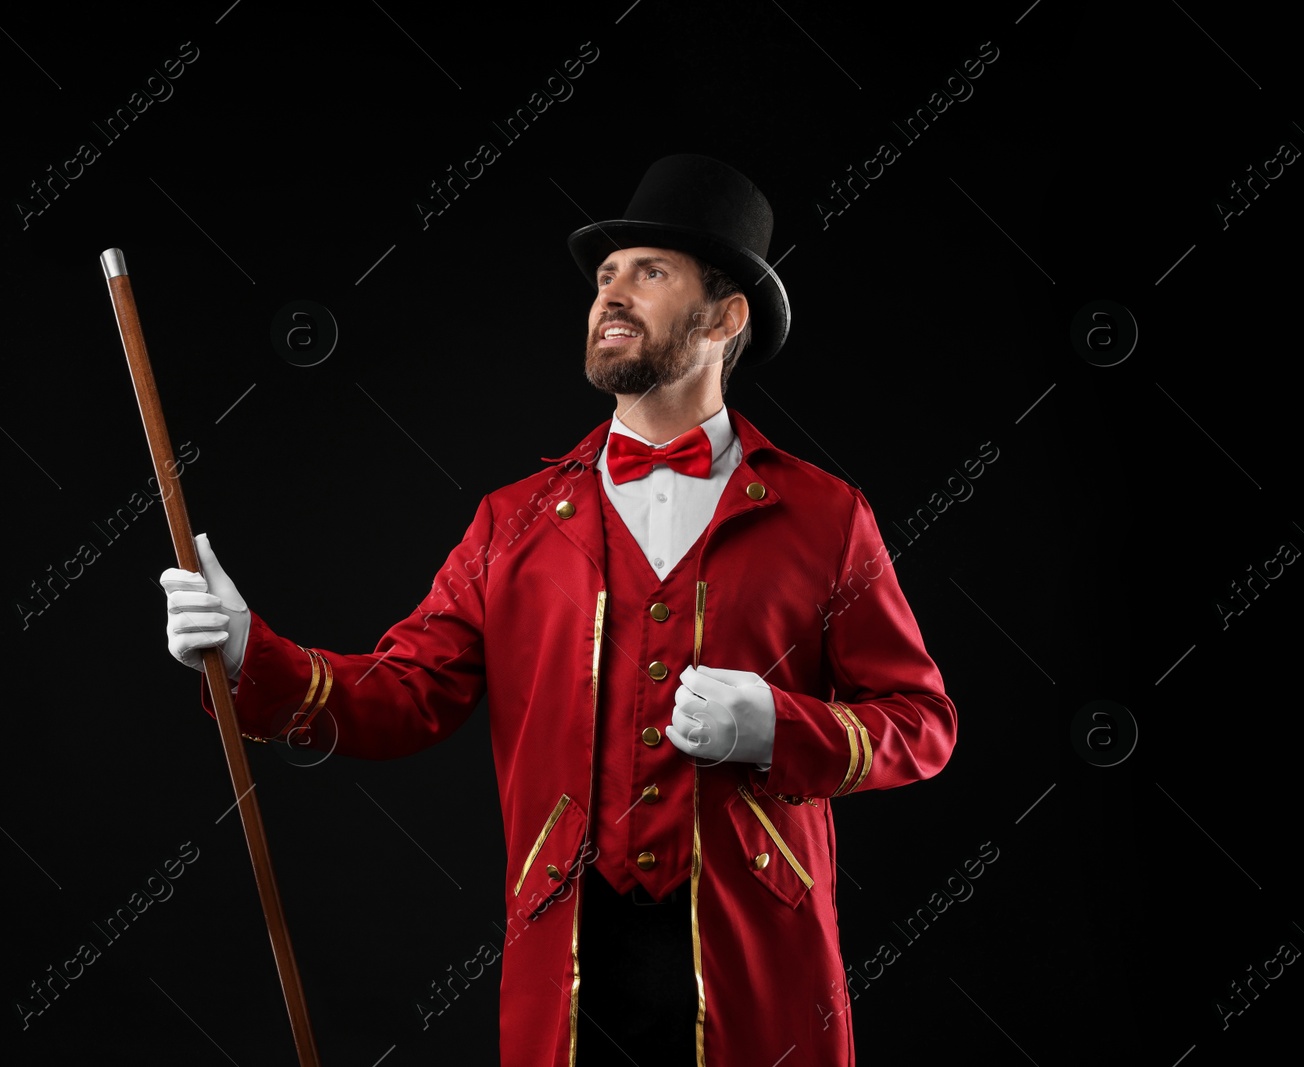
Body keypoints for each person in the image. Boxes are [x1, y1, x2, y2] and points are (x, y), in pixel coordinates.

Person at [160, 154, 957, 1066]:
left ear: (726, 317)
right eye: (605, 276)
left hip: (758, 968)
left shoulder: (825, 516)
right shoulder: (514, 521)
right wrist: (246, 651)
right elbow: (402, 693)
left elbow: (923, 724)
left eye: (649, 272)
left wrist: (780, 726)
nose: (612, 294)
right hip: (567, 968)